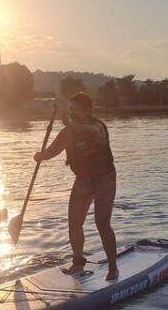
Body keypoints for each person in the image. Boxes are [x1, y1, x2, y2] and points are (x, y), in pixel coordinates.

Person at [33, 92, 118, 280]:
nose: (72, 113)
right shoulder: (68, 132)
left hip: (104, 178)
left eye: (76, 110)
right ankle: (78, 263)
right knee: (74, 223)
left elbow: (94, 134)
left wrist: (71, 125)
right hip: (83, 180)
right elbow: (51, 151)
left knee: (101, 223)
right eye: (70, 110)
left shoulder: (97, 127)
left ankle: (113, 266)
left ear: (88, 110)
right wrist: (40, 156)